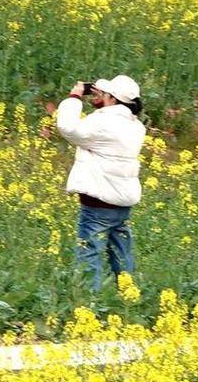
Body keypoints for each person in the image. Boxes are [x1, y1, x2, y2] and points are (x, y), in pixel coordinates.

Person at [56, 75, 146, 290]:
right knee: (121, 254)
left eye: (104, 94)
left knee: (89, 252)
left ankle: (88, 301)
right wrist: (99, 97)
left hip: (98, 205)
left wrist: (75, 96)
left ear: (113, 99)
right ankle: (129, 295)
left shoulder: (105, 122)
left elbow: (68, 128)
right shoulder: (135, 126)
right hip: (121, 203)